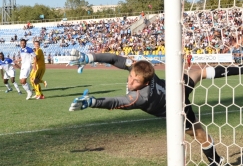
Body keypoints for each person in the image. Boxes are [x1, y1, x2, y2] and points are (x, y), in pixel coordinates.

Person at [68, 50, 227, 166]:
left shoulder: (141, 97)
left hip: (177, 108)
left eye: (136, 81)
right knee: (198, 73)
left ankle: (216, 161)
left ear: (145, 83)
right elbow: (115, 58)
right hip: (175, 87)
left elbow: (116, 102)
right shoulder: (137, 68)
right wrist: (89, 57)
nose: (131, 82)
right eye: (131, 77)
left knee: (200, 135)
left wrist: (92, 102)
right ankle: (239, 69)